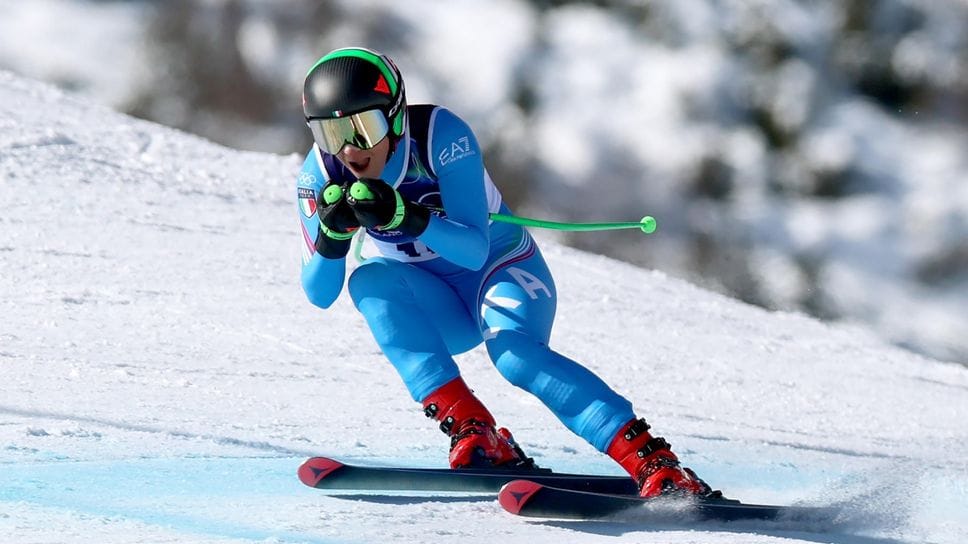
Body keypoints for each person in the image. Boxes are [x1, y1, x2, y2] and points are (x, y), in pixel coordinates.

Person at [295, 46, 713, 498]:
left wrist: (405, 216)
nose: (349, 150)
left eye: (363, 127)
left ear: (395, 119)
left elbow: (473, 249)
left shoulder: (440, 136)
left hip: (502, 271)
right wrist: (332, 240)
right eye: (330, 132)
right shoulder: (318, 175)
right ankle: (477, 431)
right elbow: (319, 292)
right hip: (441, 305)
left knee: (515, 357)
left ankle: (653, 460)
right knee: (369, 280)